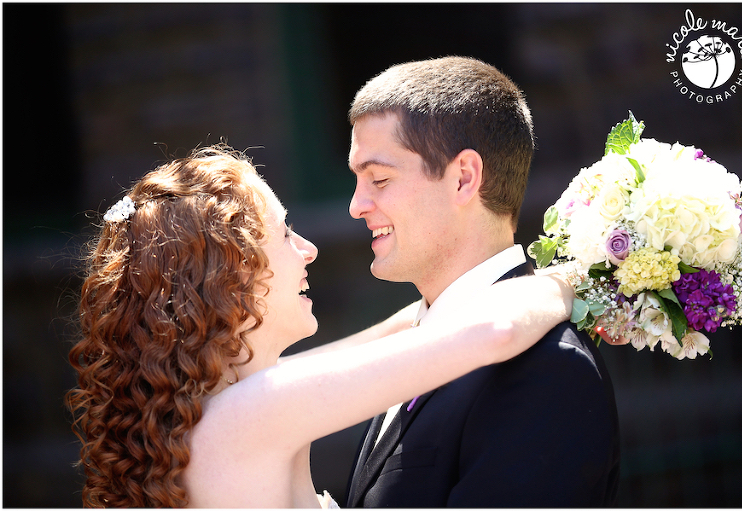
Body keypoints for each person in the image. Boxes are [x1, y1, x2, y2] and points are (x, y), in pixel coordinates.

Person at [66, 145, 576, 508]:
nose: (308, 249)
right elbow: (498, 332)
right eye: (284, 233)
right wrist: (579, 276)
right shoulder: (252, 415)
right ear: (232, 274)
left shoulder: (223, 411)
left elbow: (406, 330)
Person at [344, 56, 621, 507]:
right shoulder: (412, 344)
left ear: (463, 179)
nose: (357, 205)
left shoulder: (546, 369)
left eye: (379, 178)